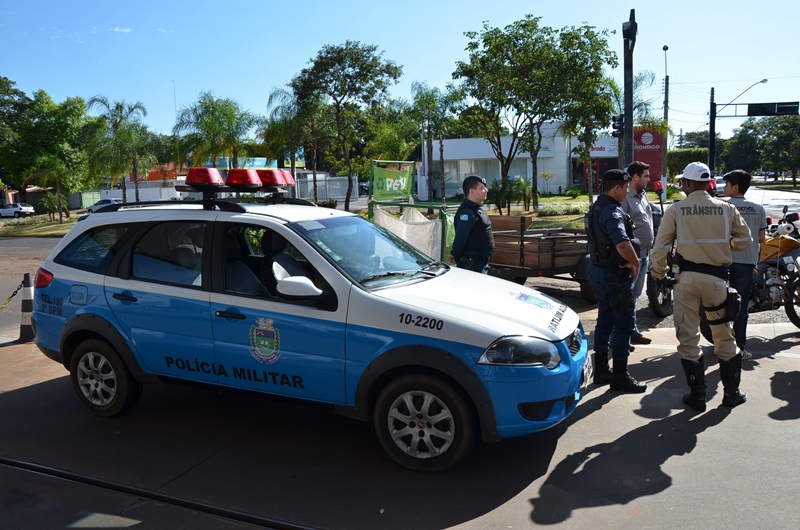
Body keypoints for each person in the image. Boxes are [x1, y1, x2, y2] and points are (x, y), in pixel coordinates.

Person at [650, 162, 753, 412]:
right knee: (723, 335)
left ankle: (697, 396)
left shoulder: (677, 210)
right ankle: (732, 393)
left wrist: (659, 274)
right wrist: (724, 246)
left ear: (686, 183)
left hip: (686, 281)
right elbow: (746, 240)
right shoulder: (726, 208)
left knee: (689, 337)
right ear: (708, 183)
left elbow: (661, 247)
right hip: (717, 280)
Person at [585, 169, 647, 393]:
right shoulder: (612, 211)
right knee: (622, 325)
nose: (628, 190)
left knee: (605, 319)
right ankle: (620, 376)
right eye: (625, 187)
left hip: (599, 271)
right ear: (617, 188)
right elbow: (621, 243)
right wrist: (636, 263)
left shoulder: (595, 208)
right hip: (614, 274)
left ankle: (601, 370)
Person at [723, 169, 768, 360]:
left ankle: (722, 344)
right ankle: (739, 347)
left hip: (723, 260)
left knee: (720, 304)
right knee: (741, 306)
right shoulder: (758, 208)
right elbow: (761, 238)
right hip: (747, 261)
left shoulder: (721, 206)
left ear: (735, 187)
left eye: (726, 184)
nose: (724, 187)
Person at [620, 161, 654, 345]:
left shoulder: (643, 195)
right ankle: (621, 335)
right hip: (632, 257)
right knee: (625, 296)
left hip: (644, 255)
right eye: (646, 176)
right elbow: (621, 230)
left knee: (633, 297)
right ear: (635, 177)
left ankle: (631, 331)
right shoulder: (625, 198)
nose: (649, 179)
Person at [449, 174, 494, 273]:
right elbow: (461, 237)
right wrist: (455, 255)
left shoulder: (476, 209)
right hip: (472, 266)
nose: (486, 190)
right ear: (472, 191)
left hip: (480, 265)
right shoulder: (467, 213)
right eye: (482, 188)